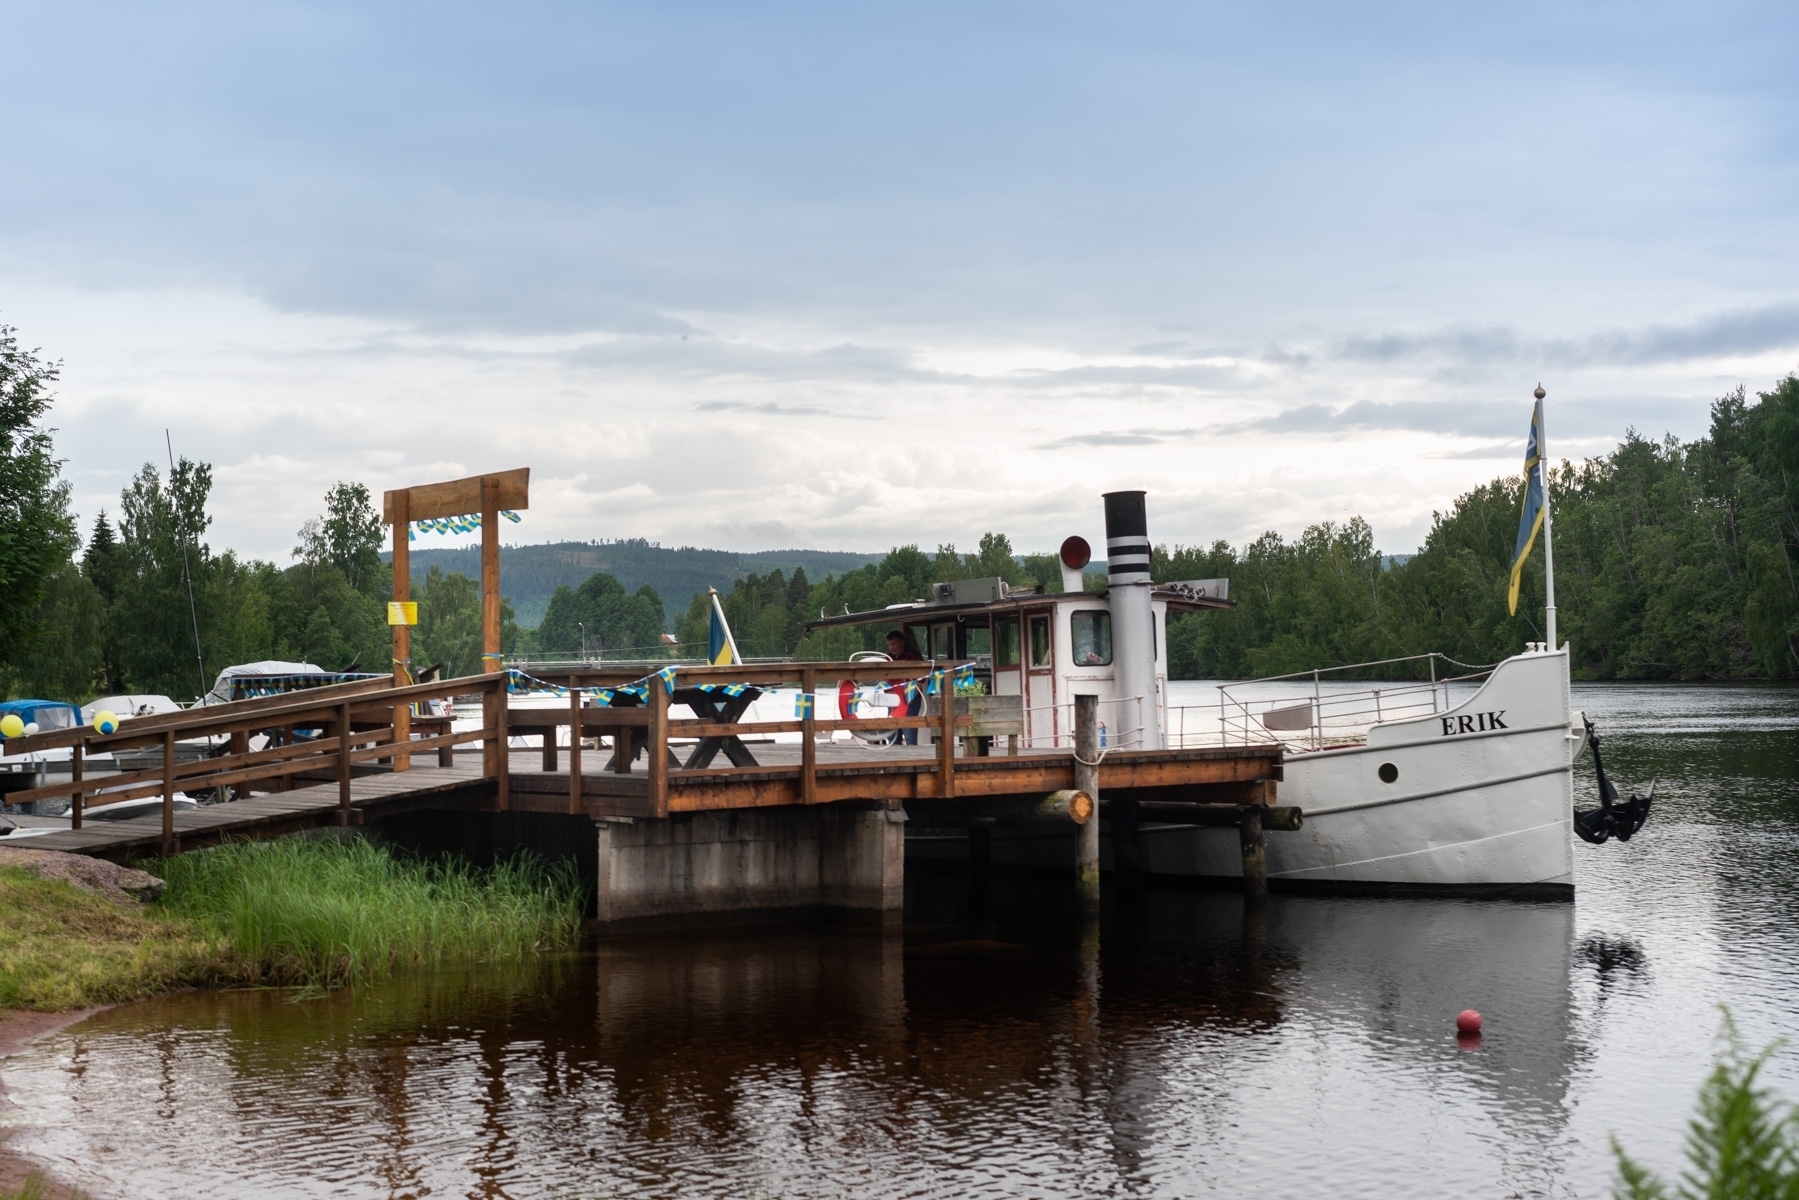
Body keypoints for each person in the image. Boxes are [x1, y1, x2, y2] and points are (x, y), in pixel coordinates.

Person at [884, 630, 925, 744]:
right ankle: (894, 759)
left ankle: (911, 759)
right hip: (892, 698)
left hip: (910, 697)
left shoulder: (913, 655)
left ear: (902, 642)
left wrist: (911, 695)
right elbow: (884, 677)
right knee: (892, 733)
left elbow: (922, 677)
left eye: (894, 644)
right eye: (889, 644)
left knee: (909, 732)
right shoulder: (887, 658)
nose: (891, 647)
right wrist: (887, 694)